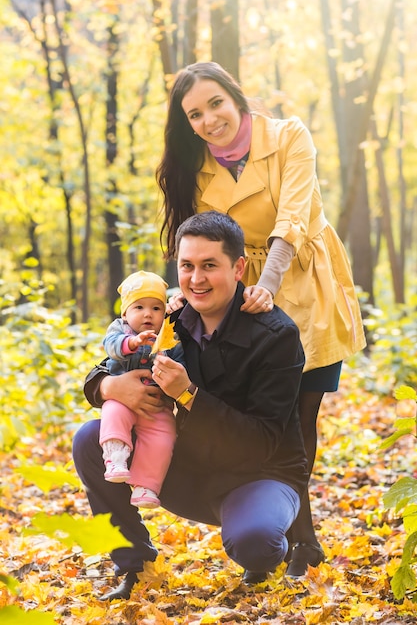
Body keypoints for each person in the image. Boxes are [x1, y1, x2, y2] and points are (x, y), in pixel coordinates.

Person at [156, 61, 367, 577]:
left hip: (298, 278)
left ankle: (303, 536)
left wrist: (267, 287)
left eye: (215, 104)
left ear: (236, 97)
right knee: (264, 412)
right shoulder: (196, 168)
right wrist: (181, 290)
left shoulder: (289, 136)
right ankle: (291, 532)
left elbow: (294, 216)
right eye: (195, 115)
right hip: (238, 285)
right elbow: (196, 238)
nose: (209, 120)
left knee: (302, 413)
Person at [73, 211, 309, 601]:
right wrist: (112, 386)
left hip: (259, 474)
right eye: (187, 266)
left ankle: (263, 543)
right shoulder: (170, 319)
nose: (196, 279)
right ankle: (135, 563)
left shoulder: (276, 334)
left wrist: (188, 394)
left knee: (256, 542)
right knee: (89, 439)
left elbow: (263, 440)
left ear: (238, 268)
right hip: (189, 468)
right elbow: (100, 372)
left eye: (209, 266)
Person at [99, 270, 184, 509]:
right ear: (126, 312)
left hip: (156, 406)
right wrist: (132, 343)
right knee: (113, 412)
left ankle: (146, 486)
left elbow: (181, 362)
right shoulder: (120, 329)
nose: (148, 314)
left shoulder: (168, 336)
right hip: (123, 398)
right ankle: (115, 457)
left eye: (156, 308)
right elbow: (111, 347)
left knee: (163, 435)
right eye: (139, 308)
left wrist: (173, 367)